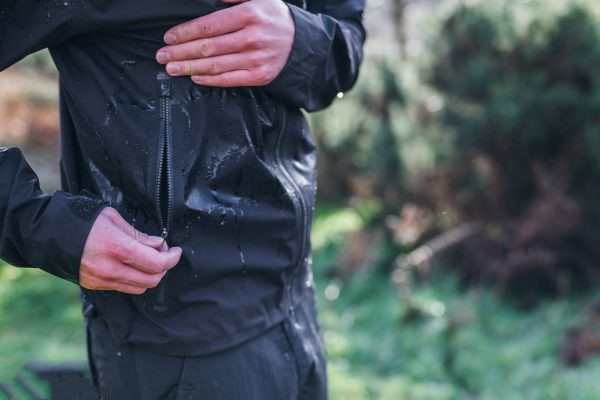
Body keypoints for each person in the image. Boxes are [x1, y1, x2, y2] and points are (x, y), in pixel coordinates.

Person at [0, 0, 365, 398]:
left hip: (296, 305)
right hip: (175, 342)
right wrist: (40, 227)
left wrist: (303, 42)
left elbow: (344, 37)